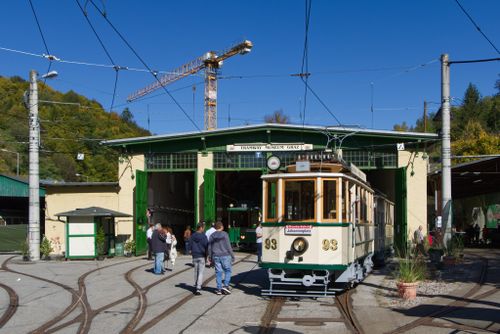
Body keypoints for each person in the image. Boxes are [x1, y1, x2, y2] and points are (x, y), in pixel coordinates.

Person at [208, 222, 235, 295]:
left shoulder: (212, 235)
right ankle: (226, 285)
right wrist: (232, 255)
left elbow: (209, 247)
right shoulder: (225, 234)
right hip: (225, 255)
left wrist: (210, 257)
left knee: (218, 272)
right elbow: (228, 245)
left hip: (216, 256)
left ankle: (219, 289)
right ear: (221, 227)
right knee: (228, 270)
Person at [190, 223, 209, 295]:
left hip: (195, 255)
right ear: (200, 228)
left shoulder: (192, 235)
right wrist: (207, 255)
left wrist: (191, 251)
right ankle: (198, 287)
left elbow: (190, 245)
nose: (203, 229)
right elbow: (206, 245)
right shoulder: (204, 236)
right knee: (200, 272)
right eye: (203, 228)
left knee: (196, 271)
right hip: (201, 255)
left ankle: (196, 284)